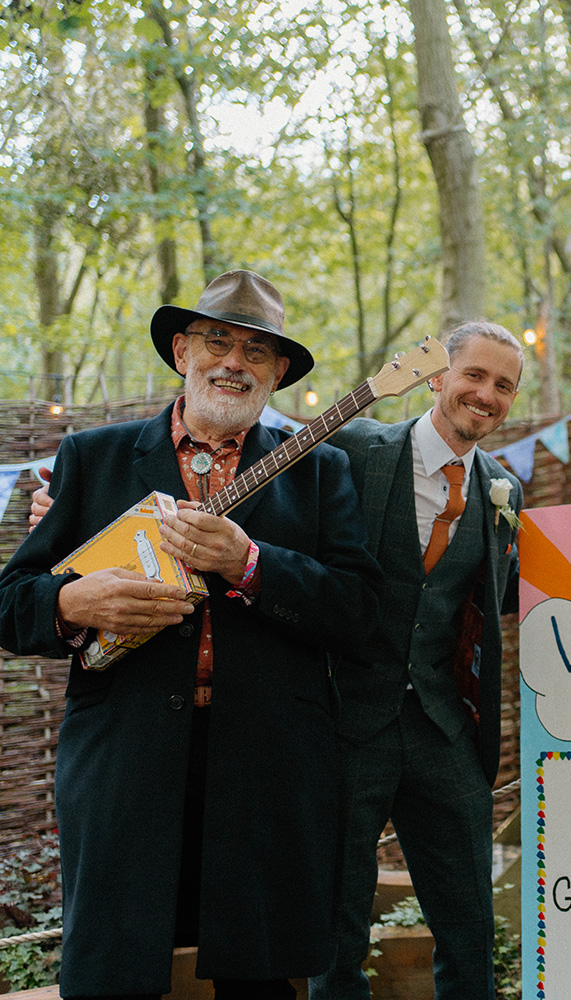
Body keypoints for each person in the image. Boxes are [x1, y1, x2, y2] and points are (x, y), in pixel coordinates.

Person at [0, 269, 381, 999]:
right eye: (218, 341)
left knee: (261, 980)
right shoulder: (93, 459)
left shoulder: (320, 471)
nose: (235, 362)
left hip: (267, 767)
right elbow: (12, 602)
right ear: (182, 351)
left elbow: (360, 614)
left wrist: (252, 564)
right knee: (114, 976)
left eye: (257, 351)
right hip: (125, 762)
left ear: (276, 374)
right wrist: (77, 602)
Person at [309, 321, 524, 999]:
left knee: (469, 928)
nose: (486, 395)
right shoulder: (353, 451)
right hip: (349, 721)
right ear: (438, 378)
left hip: (442, 726)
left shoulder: (503, 492)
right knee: (335, 928)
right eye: (474, 376)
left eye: (504, 386)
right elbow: (269, 511)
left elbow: (503, 592)